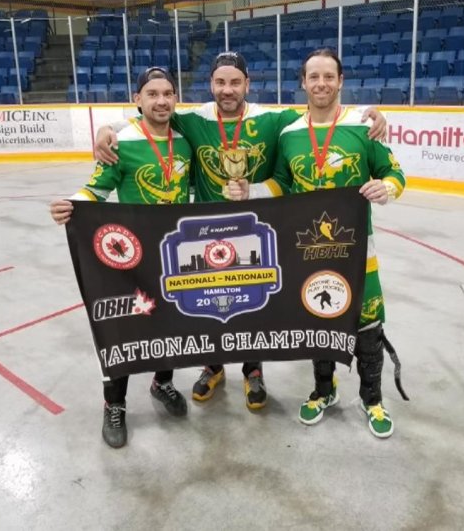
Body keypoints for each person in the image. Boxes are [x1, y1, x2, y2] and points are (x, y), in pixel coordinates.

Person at [93, 51, 389, 411]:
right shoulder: (194, 120)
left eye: (235, 82)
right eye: (220, 82)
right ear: (211, 85)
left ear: (247, 84)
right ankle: (212, 367)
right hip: (202, 236)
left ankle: (253, 371)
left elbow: (321, 109)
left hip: (254, 234)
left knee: (251, 307)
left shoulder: (273, 119)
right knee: (206, 307)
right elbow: (154, 115)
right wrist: (110, 128)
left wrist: (369, 113)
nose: (227, 90)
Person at [226, 48, 408, 439]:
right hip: (307, 249)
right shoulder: (291, 132)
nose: (321, 83)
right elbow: (283, 183)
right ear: (303, 83)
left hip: (359, 250)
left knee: (367, 322)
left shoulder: (363, 125)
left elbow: (394, 171)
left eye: (329, 76)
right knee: (317, 318)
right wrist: (250, 191)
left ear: (341, 81)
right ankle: (324, 390)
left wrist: (387, 187)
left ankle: (372, 398)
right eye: (314, 77)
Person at [50, 67, 192, 448]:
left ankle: (163, 383)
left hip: (173, 256)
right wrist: (72, 205)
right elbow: (96, 189)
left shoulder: (187, 138)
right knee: (123, 330)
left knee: (170, 328)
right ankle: (115, 405)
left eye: (168, 93)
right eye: (152, 93)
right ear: (138, 99)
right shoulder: (123, 141)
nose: (161, 100)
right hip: (132, 259)